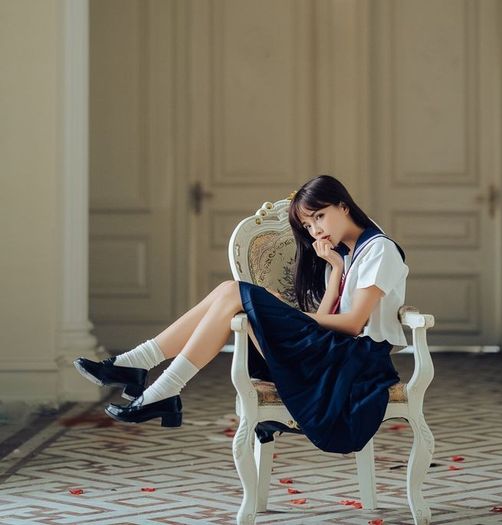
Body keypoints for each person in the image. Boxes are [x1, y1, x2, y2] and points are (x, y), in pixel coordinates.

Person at [75, 174, 408, 454]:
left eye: (319, 216)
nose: (315, 230)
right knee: (227, 290)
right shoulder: (343, 255)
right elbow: (328, 315)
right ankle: (144, 370)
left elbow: (351, 325)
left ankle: (153, 380)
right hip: (333, 353)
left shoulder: (378, 250)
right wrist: (334, 272)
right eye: (307, 225)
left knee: (236, 292)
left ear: (343, 206)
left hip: (356, 363)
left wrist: (286, 314)